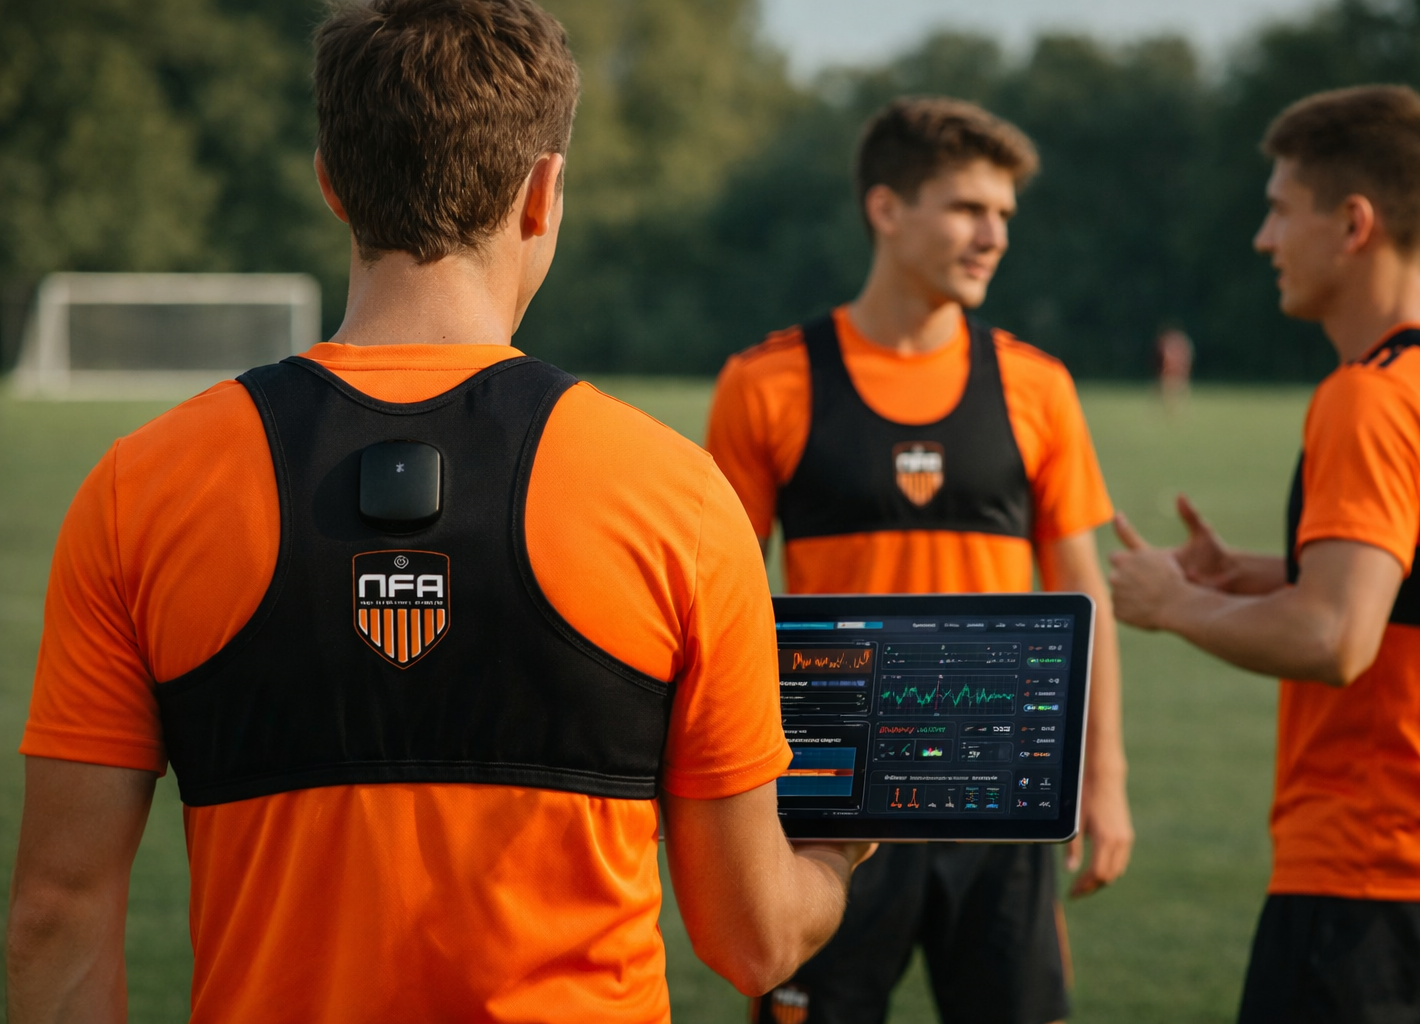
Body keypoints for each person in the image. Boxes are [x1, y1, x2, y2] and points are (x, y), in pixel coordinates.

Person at [5, 2, 873, 1021]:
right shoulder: (674, 495)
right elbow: (753, 936)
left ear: (331, 180)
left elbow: (57, 915)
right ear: (544, 193)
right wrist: (836, 858)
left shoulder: (141, 486)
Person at [707, 96, 1134, 1024]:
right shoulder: (766, 383)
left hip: (1004, 797)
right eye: (968, 209)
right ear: (886, 208)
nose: (993, 236)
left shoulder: (1038, 386)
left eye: (1004, 216)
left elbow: (1082, 592)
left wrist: (1102, 782)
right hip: (833, 813)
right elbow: (723, 613)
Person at [1110, 85, 1420, 1024]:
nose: (1264, 240)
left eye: (1278, 210)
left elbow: (1334, 637)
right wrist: (1250, 573)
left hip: (1371, 879)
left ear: (1353, 224)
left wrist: (1167, 604)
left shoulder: (1368, 396)